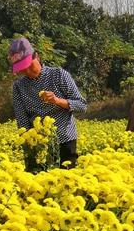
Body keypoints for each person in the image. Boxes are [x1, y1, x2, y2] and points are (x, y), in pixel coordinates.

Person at [10, 37, 87, 168]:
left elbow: (82, 106)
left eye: (29, 66)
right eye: (22, 69)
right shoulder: (18, 87)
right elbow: (22, 121)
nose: (27, 72)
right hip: (38, 146)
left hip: (65, 142)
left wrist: (57, 100)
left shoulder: (59, 75)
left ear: (37, 57)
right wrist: (29, 147)